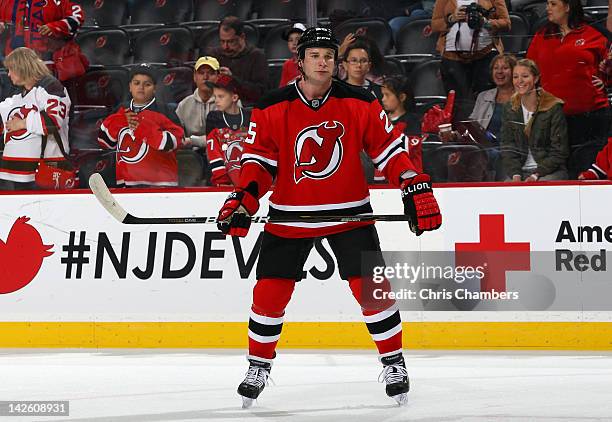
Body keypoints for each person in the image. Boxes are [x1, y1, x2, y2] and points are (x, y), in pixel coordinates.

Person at [216, 27, 442, 408]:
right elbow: (259, 163)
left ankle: (394, 362)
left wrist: (412, 183)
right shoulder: (272, 105)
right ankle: (258, 366)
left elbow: (388, 152)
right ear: (300, 62)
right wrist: (245, 200)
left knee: (374, 293)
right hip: (290, 215)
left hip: (349, 212)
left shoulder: (360, 100)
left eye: (328, 56)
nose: (323, 61)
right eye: (314, 55)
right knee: (269, 294)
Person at [526, 0, 609, 179]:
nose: (548, 7)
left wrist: (605, 81)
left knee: (587, 175)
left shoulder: (594, 34)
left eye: (553, 3)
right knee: (559, 174)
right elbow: (528, 71)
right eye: (547, 3)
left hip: (590, 117)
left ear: (568, 7)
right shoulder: (541, 36)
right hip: (553, 118)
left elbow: (608, 66)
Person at [98, 65, 185, 188]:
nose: (141, 87)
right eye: (136, 83)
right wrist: (121, 121)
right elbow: (104, 142)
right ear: (130, 87)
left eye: (147, 84)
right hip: (126, 184)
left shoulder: (165, 111)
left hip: (161, 185)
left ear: (155, 88)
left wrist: (143, 126)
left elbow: (174, 143)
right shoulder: (121, 110)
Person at [0, 47, 71, 190]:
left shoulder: (50, 86)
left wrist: (22, 123)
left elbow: (53, 122)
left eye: (11, 69)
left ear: (22, 67)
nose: (8, 74)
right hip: (17, 173)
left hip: (45, 170)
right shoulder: (18, 92)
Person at [431, 0, 510, 121]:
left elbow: (506, 23)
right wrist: (452, 18)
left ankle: (487, 136)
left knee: (486, 101)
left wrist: (485, 22)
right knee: (458, 105)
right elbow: (435, 25)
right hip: (452, 58)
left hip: (485, 55)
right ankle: (460, 136)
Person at [500, 59, 569, 182]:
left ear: (536, 79)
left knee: (541, 187)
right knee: (508, 187)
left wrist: (536, 174)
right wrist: (515, 174)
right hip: (519, 170)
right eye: (515, 77)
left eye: (525, 76)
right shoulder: (510, 108)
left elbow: (559, 152)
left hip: (549, 171)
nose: (519, 81)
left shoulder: (553, 107)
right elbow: (507, 147)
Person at [0, 0, 85, 78]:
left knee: (48, 90)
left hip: (49, 62)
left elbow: (76, 17)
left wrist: (54, 27)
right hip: (15, 64)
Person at [468, 53, 517, 180]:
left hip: (512, 150)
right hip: (484, 149)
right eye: (496, 68)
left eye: (505, 68)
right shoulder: (483, 96)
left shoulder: (523, 97)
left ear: (514, 72)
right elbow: (472, 125)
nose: (499, 72)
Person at [208, 16, 268, 105]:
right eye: (222, 41)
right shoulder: (213, 55)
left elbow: (260, 92)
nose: (225, 47)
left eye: (231, 41)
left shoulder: (256, 56)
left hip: (246, 108)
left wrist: (232, 80)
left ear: (242, 37)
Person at [205, 74, 251, 186]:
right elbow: (212, 152)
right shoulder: (214, 118)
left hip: (250, 180)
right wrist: (223, 182)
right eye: (215, 96)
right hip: (222, 184)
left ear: (234, 98)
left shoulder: (252, 117)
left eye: (221, 96)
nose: (216, 101)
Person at [176, 56, 220, 146]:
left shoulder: (229, 102)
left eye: (210, 73)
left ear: (218, 77)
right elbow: (177, 134)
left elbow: (229, 137)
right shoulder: (184, 104)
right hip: (191, 154)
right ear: (194, 77)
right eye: (201, 73)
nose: (205, 77)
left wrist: (194, 141)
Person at [279, 23, 306, 87]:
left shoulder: (312, 62)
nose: (294, 43)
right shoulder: (287, 64)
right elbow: (282, 89)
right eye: (290, 40)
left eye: (298, 39)